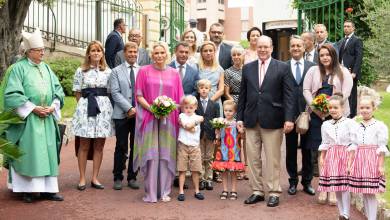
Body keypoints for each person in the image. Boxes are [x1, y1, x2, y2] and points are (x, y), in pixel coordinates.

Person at [4, 28, 65, 203]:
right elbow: (12, 95)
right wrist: (33, 108)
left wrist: (53, 106)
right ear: (29, 52)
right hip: (29, 120)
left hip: (46, 119)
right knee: (30, 154)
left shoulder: (46, 68)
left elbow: (58, 89)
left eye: (43, 50)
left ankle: (49, 190)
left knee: (48, 153)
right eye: (39, 50)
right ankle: (28, 190)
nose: (43, 52)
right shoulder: (18, 69)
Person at [237, 36, 295, 207]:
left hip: (273, 119)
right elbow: (243, 96)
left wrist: (289, 118)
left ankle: (274, 191)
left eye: (265, 47)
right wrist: (239, 118)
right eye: (259, 47)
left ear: (271, 47)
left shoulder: (282, 67)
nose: (262, 50)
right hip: (251, 119)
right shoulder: (247, 68)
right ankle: (257, 191)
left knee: (272, 158)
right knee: (253, 158)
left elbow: (289, 96)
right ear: (256, 48)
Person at [133, 41, 184, 203]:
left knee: (166, 155)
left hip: (169, 120)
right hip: (149, 119)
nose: (159, 56)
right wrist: (152, 109)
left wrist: (168, 109)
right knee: (151, 155)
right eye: (156, 53)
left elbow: (180, 98)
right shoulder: (143, 71)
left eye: (162, 53)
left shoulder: (175, 73)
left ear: (167, 54)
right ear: (151, 55)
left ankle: (165, 191)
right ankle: (151, 192)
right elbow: (139, 95)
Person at [303, 44, 353, 205]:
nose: (325, 57)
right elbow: (306, 90)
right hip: (317, 117)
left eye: (328, 55)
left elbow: (346, 93)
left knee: (336, 154)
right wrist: (316, 108)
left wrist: (332, 108)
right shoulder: (312, 71)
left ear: (334, 56)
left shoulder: (343, 72)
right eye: (322, 55)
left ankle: (333, 189)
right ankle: (324, 188)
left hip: (337, 117)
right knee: (322, 154)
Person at [72, 40, 114, 191]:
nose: (96, 53)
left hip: (103, 111)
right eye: (93, 50)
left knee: (99, 145)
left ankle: (95, 177)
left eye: (99, 50)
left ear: (102, 53)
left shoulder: (108, 72)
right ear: (88, 53)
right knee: (84, 144)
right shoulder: (80, 70)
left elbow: (110, 92)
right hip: (85, 109)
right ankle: (82, 177)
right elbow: (77, 92)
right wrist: (83, 107)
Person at [349, 91, 388, 220]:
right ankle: (368, 216)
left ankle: (372, 218)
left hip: (372, 160)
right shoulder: (356, 126)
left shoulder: (379, 126)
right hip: (360, 160)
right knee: (365, 191)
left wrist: (381, 166)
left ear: (373, 108)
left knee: (371, 193)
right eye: (362, 108)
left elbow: (382, 148)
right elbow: (354, 145)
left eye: (367, 108)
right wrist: (350, 164)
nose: (364, 110)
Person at [317, 94, 358, 220]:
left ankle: (346, 213)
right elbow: (325, 143)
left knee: (345, 186)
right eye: (330, 107)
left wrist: (350, 161)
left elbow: (354, 143)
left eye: (336, 107)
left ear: (342, 108)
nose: (333, 110)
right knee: (336, 186)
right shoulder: (325, 125)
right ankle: (341, 213)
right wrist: (322, 158)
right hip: (332, 156)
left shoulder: (350, 123)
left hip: (345, 155)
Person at [285, 35, 316, 196]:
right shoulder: (283, 67)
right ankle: (292, 181)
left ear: (304, 48)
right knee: (290, 149)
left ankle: (307, 181)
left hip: (308, 113)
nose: (296, 48)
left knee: (307, 149)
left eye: (299, 45)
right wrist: (286, 116)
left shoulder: (313, 67)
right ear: (289, 48)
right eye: (293, 46)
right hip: (289, 114)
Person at [110, 42, 140, 190]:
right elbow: (114, 92)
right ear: (124, 53)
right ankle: (117, 176)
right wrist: (128, 108)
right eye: (130, 52)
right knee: (121, 145)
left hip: (139, 115)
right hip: (121, 114)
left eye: (135, 52)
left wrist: (137, 109)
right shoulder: (116, 71)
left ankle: (133, 176)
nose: (133, 54)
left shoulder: (143, 71)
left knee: (136, 145)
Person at [212, 100, 245, 200]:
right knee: (224, 171)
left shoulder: (236, 123)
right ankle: (225, 190)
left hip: (233, 151)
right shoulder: (221, 123)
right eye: (226, 110)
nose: (228, 112)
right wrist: (217, 134)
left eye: (230, 111)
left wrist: (241, 130)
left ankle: (234, 190)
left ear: (234, 112)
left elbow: (241, 135)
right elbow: (218, 136)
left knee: (233, 171)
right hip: (223, 150)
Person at [177, 95, 205, 201]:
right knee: (182, 169)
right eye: (186, 107)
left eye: (191, 107)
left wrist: (192, 125)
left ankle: (197, 190)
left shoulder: (198, 117)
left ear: (195, 107)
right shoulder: (182, 116)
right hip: (183, 145)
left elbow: (192, 128)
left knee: (195, 169)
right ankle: (181, 191)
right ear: (183, 107)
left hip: (194, 146)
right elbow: (188, 127)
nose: (188, 110)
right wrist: (193, 124)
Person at [195, 79, 220, 191]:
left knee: (209, 157)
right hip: (198, 134)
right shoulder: (194, 103)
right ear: (198, 89)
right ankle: (201, 179)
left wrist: (216, 134)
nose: (204, 90)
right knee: (200, 157)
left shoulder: (214, 105)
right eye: (201, 88)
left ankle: (209, 179)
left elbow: (217, 120)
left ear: (210, 90)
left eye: (206, 88)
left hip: (210, 134)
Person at [337, 20, 363, 118]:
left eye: (348, 26)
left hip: (351, 72)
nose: (346, 28)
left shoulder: (357, 40)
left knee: (352, 94)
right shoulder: (341, 41)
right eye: (345, 26)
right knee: (342, 92)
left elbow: (359, 57)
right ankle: (343, 113)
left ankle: (352, 115)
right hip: (340, 72)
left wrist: (354, 73)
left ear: (353, 28)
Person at [198, 41, 224, 116]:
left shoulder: (220, 69)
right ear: (201, 53)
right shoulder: (196, 67)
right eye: (205, 51)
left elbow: (221, 90)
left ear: (214, 52)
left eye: (210, 50)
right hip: (200, 101)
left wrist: (210, 101)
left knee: (216, 125)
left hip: (215, 100)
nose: (208, 53)